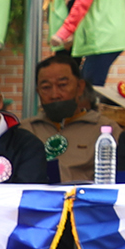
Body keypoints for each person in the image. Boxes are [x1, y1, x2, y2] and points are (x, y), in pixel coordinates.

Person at [28, 53, 111, 183]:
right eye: (46, 87)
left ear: (80, 87)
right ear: (38, 91)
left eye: (62, 85)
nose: (55, 94)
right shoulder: (26, 130)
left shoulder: (104, 130)